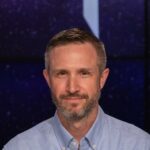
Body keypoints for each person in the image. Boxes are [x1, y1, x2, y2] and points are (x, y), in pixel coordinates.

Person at [3, 28, 150, 150]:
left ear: (102, 79)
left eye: (84, 73)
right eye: (62, 74)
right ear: (48, 79)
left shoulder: (140, 145)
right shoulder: (18, 147)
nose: (72, 88)